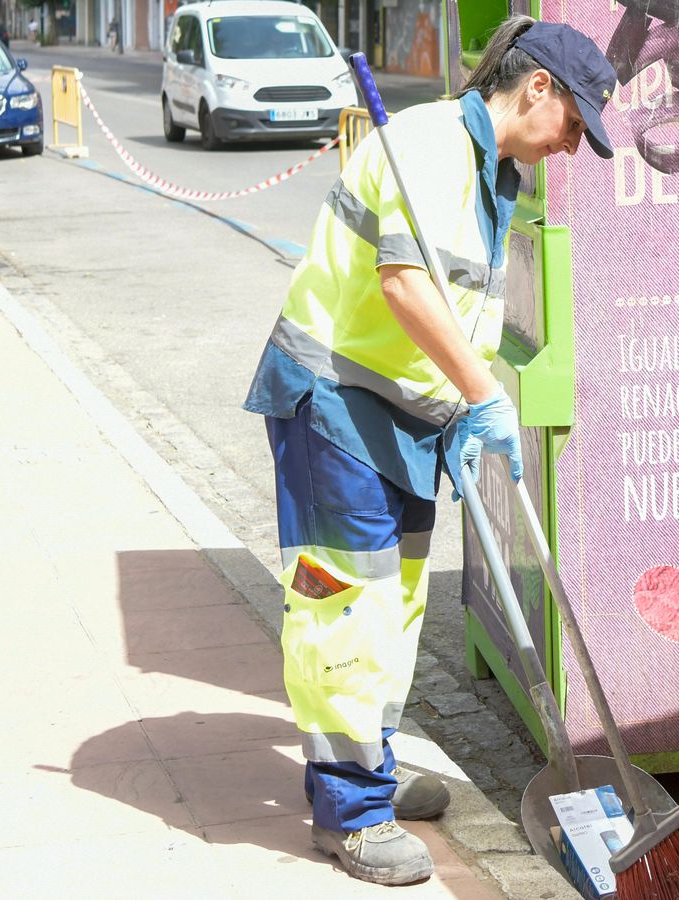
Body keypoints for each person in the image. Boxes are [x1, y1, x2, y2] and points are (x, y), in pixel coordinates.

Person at [242, 15, 616, 887]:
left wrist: (455, 411)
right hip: (334, 404)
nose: (571, 145)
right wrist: (486, 402)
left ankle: (367, 759)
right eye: (574, 124)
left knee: (400, 601)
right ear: (538, 90)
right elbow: (407, 286)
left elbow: (457, 313)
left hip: (404, 417)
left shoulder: (495, 170)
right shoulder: (435, 148)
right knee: (348, 609)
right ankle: (352, 815)